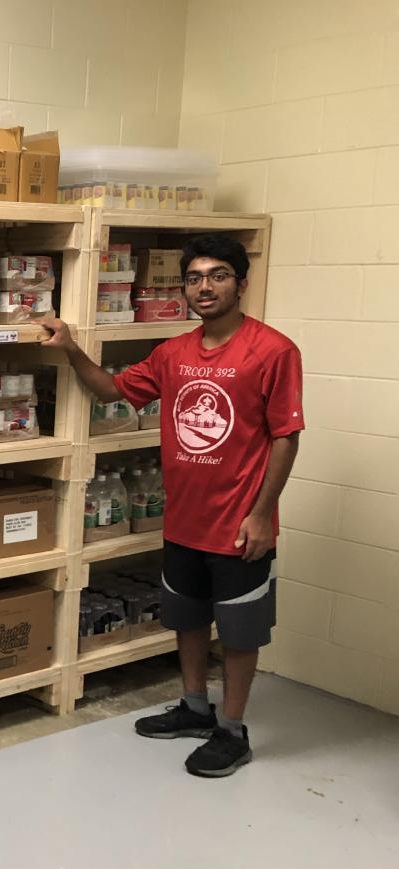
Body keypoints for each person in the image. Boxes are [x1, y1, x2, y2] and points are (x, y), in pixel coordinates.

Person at [37, 234, 303, 777]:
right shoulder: (173, 353)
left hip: (239, 525)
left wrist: (261, 514)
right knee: (187, 619)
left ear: (240, 284)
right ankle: (195, 707)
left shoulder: (274, 351)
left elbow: (286, 437)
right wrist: (70, 347)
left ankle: (232, 731)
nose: (205, 287)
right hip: (182, 521)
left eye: (218, 276)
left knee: (239, 632)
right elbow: (110, 390)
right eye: (195, 278)